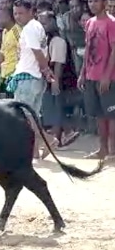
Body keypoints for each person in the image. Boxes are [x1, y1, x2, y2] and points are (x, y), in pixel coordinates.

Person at [8, 0, 52, 159]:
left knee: (25, 116)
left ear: (31, 12)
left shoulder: (30, 29)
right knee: (32, 115)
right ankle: (34, 151)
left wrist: (45, 69)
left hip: (28, 76)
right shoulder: (37, 27)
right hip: (35, 76)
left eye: (21, 13)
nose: (18, 16)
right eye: (15, 13)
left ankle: (49, 140)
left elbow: (37, 52)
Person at [80, 0, 115, 160]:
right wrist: (82, 73)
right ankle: (103, 149)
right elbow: (87, 49)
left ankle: (113, 150)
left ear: (105, 2)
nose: (92, 4)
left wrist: (107, 75)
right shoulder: (90, 22)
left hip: (108, 77)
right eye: (90, 1)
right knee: (100, 114)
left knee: (112, 114)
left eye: (96, 1)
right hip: (91, 75)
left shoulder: (111, 23)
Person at [37, 11, 79, 153]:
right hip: (50, 78)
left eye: (45, 22)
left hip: (57, 80)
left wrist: (55, 82)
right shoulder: (48, 40)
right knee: (54, 108)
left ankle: (66, 133)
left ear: (52, 22)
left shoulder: (58, 41)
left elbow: (58, 64)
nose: (42, 25)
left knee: (54, 108)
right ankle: (65, 133)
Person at [0, 7, 21, 94]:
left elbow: (23, 51)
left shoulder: (17, 31)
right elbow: (2, 51)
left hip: (14, 74)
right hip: (4, 74)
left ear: (8, 17)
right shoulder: (4, 32)